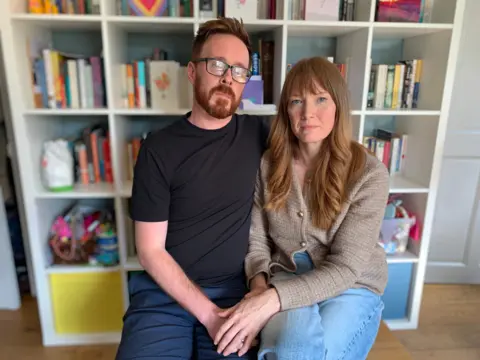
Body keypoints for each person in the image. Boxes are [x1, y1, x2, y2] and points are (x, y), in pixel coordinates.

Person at [213, 56, 390, 360]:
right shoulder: (268, 164)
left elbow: (346, 268)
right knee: (292, 350)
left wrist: (270, 303)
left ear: (338, 106)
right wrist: (258, 289)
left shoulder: (369, 174)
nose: (308, 113)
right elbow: (257, 241)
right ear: (286, 111)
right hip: (286, 275)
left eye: (321, 99)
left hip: (350, 285)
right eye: (297, 101)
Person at [115, 17, 270, 359]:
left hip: (234, 294)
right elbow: (150, 251)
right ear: (192, 71)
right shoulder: (158, 149)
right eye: (217, 65)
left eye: (240, 70)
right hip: (162, 296)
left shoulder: (260, 134)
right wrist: (209, 316)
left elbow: (317, 151)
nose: (228, 78)